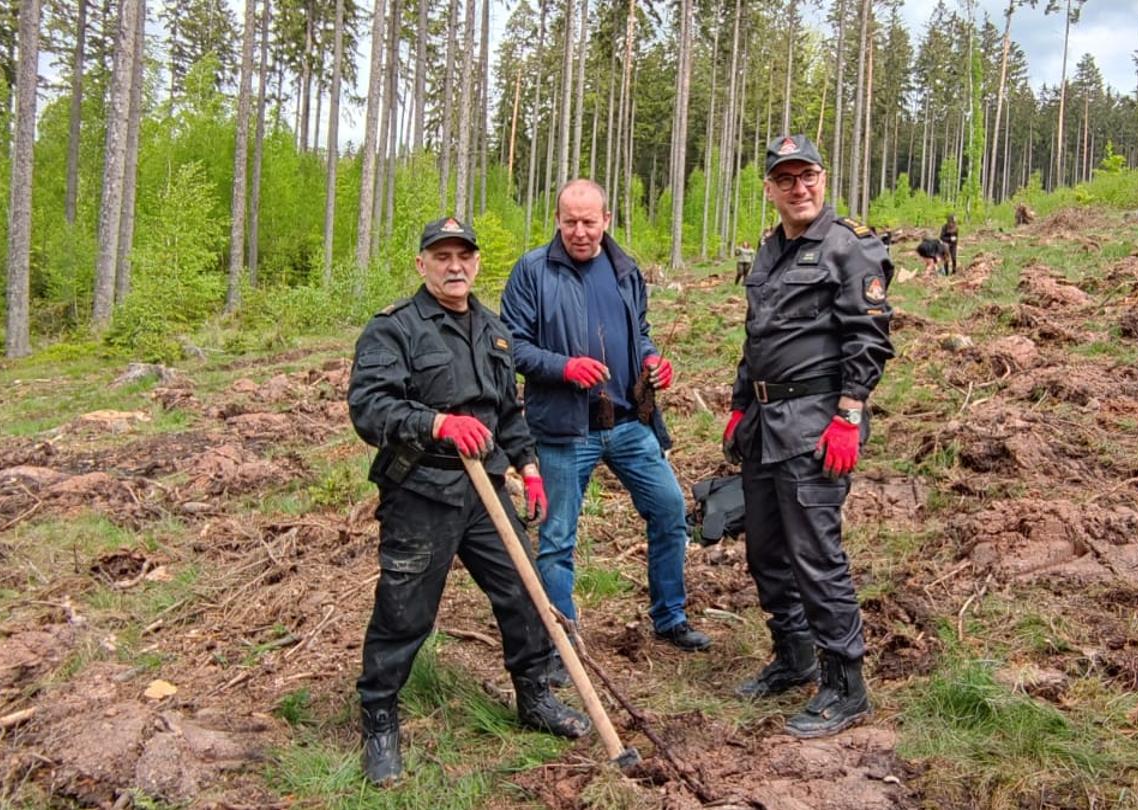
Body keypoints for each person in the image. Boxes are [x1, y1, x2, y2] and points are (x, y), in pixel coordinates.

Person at [347, 217, 591, 785]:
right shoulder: (394, 330)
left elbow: (506, 411)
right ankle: (380, 719)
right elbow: (370, 408)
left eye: (464, 256)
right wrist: (435, 423)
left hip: (487, 493)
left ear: (477, 263)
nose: (454, 266)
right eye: (442, 256)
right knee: (405, 611)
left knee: (525, 591)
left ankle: (534, 697)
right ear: (422, 264)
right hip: (422, 492)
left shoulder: (494, 330)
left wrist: (528, 465)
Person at [499, 180, 712, 668]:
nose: (579, 231)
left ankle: (670, 617)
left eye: (588, 221)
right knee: (557, 540)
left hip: (628, 422)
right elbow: (513, 344)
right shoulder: (533, 272)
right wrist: (564, 367)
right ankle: (561, 648)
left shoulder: (624, 268)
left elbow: (639, 331)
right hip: (562, 430)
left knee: (669, 510)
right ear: (557, 220)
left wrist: (653, 361)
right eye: (570, 221)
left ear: (606, 220)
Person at [723, 134, 895, 738]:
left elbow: (869, 339)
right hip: (766, 427)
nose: (799, 188)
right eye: (786, 179)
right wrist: (740, 407)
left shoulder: (848, 246)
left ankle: (845, 684)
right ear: (770, 188)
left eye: (808, 176)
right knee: (766, 549)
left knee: (816, 557)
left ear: (823, 179)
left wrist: (848, 416)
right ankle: (792, 657)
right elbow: (759, 338)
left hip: (816, 425)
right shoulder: (770, 250)